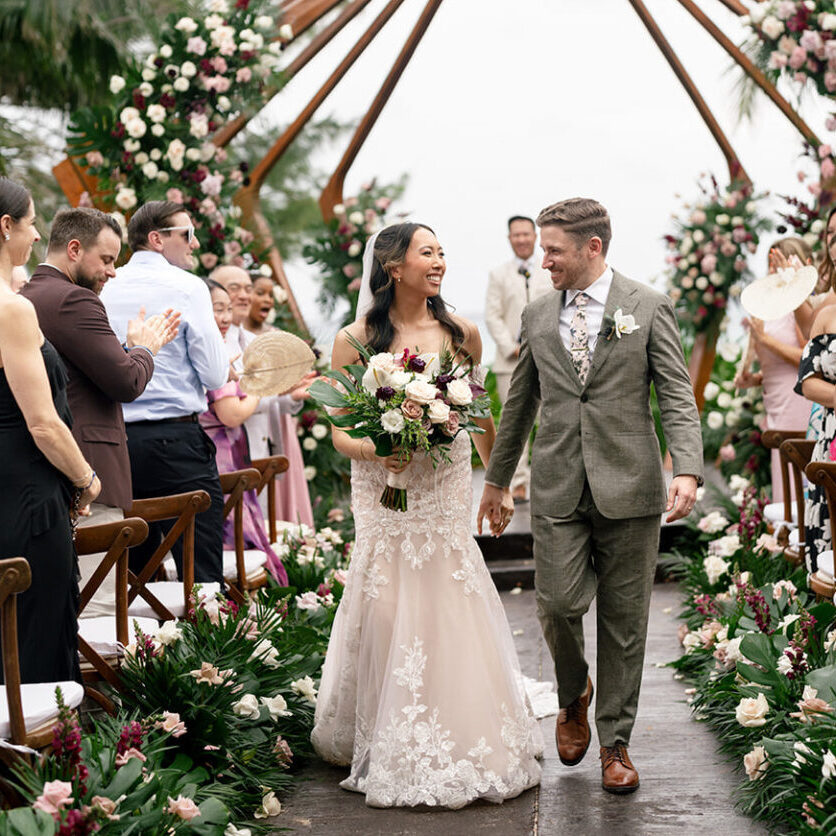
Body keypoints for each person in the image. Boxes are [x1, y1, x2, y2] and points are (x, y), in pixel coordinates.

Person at [312, 222, 543, 808]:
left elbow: (481, 410)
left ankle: (463, 727)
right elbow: (339, 431)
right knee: (386, 604)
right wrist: (375, 449)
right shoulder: (355, 339)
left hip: (441, 488)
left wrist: (498, 483)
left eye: (442, 252)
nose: (439, 261)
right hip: (383, 490)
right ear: (394, 266)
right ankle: (380, 729)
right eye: (427, 252)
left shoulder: (461, 332)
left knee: (446, 600)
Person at [478, 198, 703, 794]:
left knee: (626, 624)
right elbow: (520, 402)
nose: (542, 259)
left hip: (631, 482)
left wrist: (687, 469)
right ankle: (574, 691)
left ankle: (616, 744)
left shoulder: (648, 307)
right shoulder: (536, 314)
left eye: (553, 249)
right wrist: (498, 482)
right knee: (554, 604)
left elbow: (677, 395)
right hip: (556, 482)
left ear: (592, 248)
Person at [22, 207, 178, 616]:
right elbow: (125, 381)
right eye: (107, 260)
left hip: (41, 477)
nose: (113, 272)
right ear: (74, 249)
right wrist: (146, 349)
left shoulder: (26, 298)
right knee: (97, 611)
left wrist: (129, 354)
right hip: (88, 473)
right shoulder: (74, 300)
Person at [0, 178, 101, 682]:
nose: (37, 235)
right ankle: (39, 757)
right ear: (6, 226)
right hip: (28, 497)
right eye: (32, 222)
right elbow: (42, 422)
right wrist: (85, 478)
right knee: (35, 637)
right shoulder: (11, 310)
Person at [101, 201, 228, 584]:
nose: (195, 242)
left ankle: (142, 644)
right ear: (157, 239)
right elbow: (214, 373)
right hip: (177, 444)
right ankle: (207, 637)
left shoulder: (105, 285)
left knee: (134, 573)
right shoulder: (188, 287)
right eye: (187, 234)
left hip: (118, 444)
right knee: (200, 568)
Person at [199, 280, 288, 584]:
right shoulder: (214, 355)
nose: (225, 317)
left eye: (227, 310)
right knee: (231, 535)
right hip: (219, 458)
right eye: (217, 310)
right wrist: (258, 389)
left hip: (229, 454)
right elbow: (231, 413)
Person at [734, 237, 813, 501]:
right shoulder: (767, 308)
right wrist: (752, 379)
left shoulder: (800, 308)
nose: (775, 271)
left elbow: (808, 358)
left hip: (799, 401)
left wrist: (766, 340)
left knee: (799, 484)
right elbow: (775, 368)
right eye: (771, 264)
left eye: (783, 263)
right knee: (784, 484)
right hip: (775, 403)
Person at [235, 269, 315, 527]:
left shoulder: (277, 338)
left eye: (270, 295)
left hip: (278, 427)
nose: (267, 300)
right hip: (246, 424)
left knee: (282, 488)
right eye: (260, 293)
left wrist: (293, 396)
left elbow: (283, 394)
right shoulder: (236, 340)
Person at [485, 216, 552, 502]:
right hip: (510, 362)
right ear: (509, 238)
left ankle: (548, 481)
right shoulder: (498, 274)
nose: (522, 239)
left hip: (548, 360)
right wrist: (510, 345)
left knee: (549, 421)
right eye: (516, 235)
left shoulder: (549, 270)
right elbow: (492, 315)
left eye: (526, 234)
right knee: (513, 424)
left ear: (535, 236)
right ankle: (519, 483)